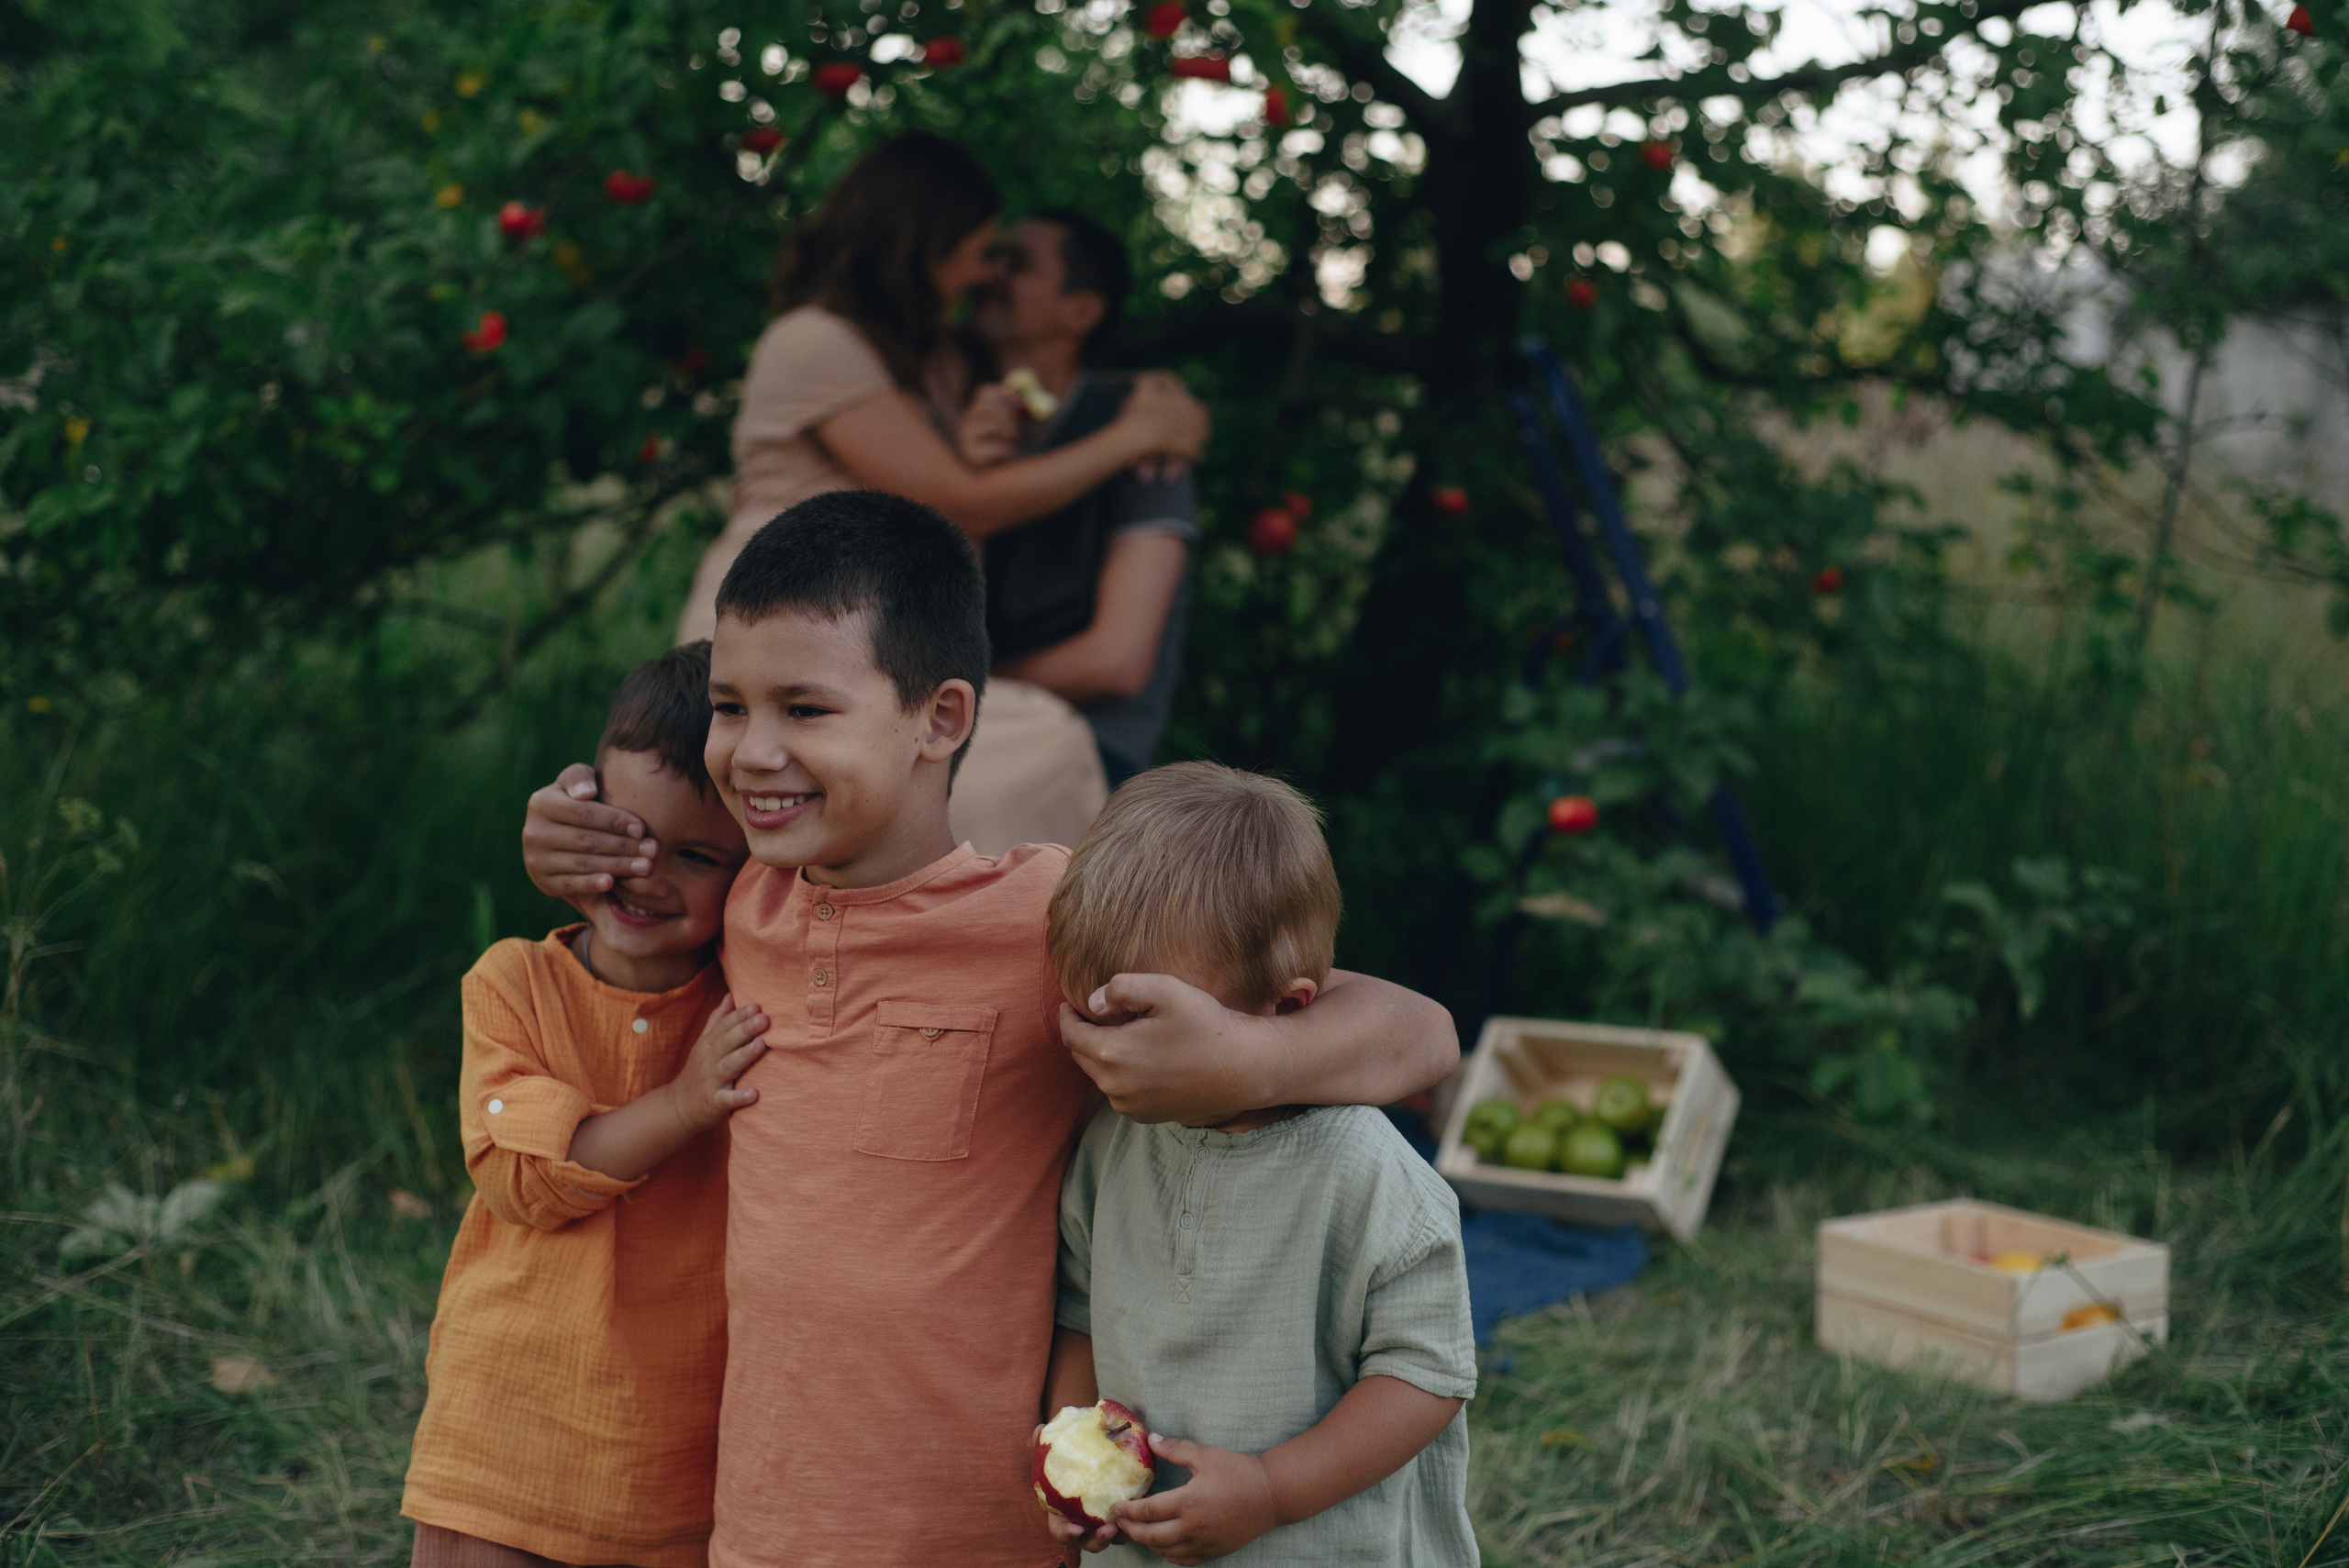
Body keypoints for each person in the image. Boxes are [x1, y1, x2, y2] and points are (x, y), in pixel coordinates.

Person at [519, 491, 1459, 1567]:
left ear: (944, 718)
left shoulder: (1049, 917)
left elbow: (1421, 1034)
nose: (751, 750)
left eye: (806, 709)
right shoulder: (743, 896)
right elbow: (634, 899)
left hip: (980, 1524)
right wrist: (573, 844)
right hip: (770, 1514)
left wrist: (1247, 1054)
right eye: (731, 706)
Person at [682, 133, 1210, 851]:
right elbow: (965, 501)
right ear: (921, 243)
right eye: (982, 247)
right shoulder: (817, 344)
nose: (985, 272)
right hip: (777, 618)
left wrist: (1163, 410)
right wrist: (1136, 431)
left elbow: (1049, 390)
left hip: (868, 637)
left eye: (1007, 258)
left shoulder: (934, 362)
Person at [1037, 763, 1478, 1565]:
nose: (1108, 1054)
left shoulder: (1364, 1170)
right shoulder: (1114, 1142)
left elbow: (1428, 1376)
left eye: (1142, 1021)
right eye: (1085, 1017)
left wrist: (1272, 1487)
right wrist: (1068, 1465)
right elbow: (1080, 1316)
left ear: (1283, 1009)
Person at [402, 642, 768, 1568]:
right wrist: (687, 1102)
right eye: (626, 832)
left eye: (696, 854)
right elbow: (522, 1176)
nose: (646, 871)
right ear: (584, 808)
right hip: (504, 1437)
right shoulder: (514, 982)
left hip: (671, 1456)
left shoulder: (747, 1005)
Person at [961, 209, 1196, 787]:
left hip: (1086, 751)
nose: (987, 273)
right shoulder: (945, 412)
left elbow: (1116, 662)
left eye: (1016, 264)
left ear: (1081, 311)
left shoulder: (1145, 429)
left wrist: (947, 687)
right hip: (959, 731)